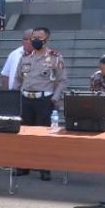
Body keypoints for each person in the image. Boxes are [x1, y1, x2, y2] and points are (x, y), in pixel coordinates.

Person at [13, 26, 67, 181]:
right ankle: (23, 166)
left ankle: (44, 167)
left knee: (43, 135)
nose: (35, 40)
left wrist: (55, 98)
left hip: (44, 100)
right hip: (26, 99)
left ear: (47, 39)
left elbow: (63, 81)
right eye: (33, 37)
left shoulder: (55, 57)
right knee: (24, 134)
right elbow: (17, 78)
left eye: (39, 38)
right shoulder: (25, 57)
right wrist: (14, 95)